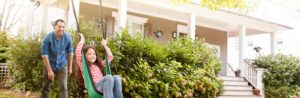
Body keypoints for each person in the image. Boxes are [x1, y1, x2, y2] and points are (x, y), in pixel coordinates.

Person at [75, 33, 123, 98]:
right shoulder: (84, 66)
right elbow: (77, 52)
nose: (92, 56)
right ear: (84, 56)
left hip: (105, 86)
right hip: (94, 88)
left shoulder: (99, 65)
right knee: (109, 77)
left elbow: (110, 57)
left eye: (94, 54)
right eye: (89, 54)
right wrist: (82, 41)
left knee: (117, 78)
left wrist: (105, 45)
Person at [41, 19, 73, 98]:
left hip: (62, 65)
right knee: (45, 86)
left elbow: (70, 53)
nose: (61, 29)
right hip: (49, 64)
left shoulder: (68, 38)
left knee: (63, 87)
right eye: (59, 26)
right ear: (55, 26)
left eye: (63, 27)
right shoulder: (47, 37)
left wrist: (70, 67)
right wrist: (49, 70)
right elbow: (44, 54)